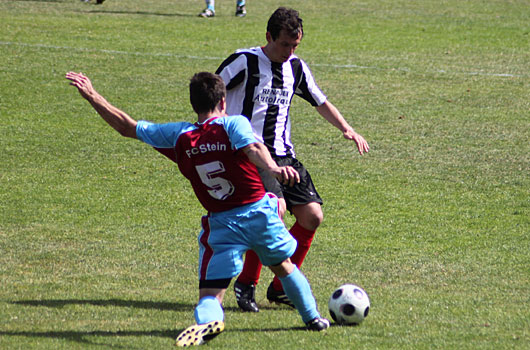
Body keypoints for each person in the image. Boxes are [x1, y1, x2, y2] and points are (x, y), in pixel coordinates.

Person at [65, 71, 330, 347]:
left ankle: (208, 322)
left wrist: (93, 96)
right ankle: (313, 318)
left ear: (194, 104)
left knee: (211, 293)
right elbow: (252, 149)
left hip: (223, 226)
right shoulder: (233, 124)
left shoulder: (180, 135)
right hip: (259, 215)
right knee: (284, 267)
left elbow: (126, 127)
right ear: (223, 102)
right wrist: (274, 169)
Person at [214, 7, 370, 313]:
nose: (289, 51)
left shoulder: (296, 67)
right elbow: (212, 91)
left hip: (285, 155)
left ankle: (282, 286)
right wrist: (218, 130)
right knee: (273, 213)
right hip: (251, 154)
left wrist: (347, 128)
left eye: (295, 45)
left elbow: (319, 100)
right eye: (284, 44)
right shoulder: (244, 61)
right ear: (269, 36)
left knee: (312, 216)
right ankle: (246, 283)